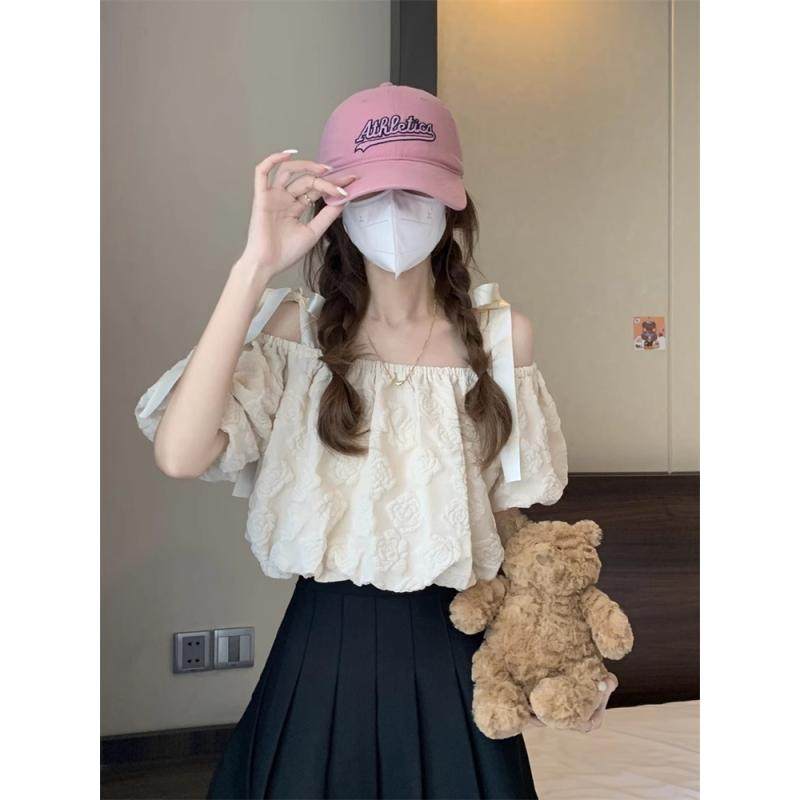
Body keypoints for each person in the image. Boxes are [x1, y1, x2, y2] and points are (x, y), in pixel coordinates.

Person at [134, 82, 615, 800]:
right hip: (322, 652)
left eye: (414, 191)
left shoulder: (502, 340)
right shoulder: (297, 333)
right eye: (370, 194)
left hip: (452, 644)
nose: (393, 211)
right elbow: (180, 454)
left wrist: (553, 642)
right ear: (336, 206)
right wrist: (254, 266)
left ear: (453, 204)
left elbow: (505, 518)